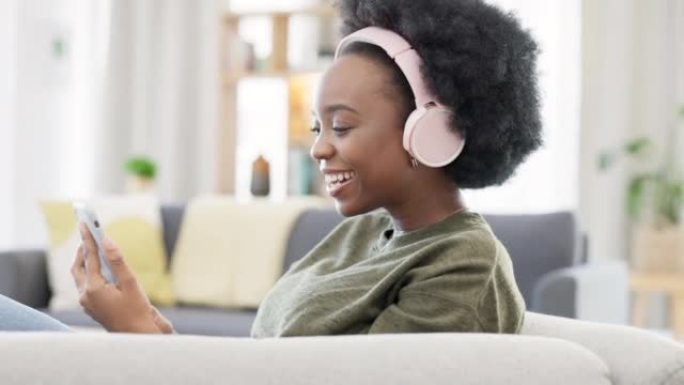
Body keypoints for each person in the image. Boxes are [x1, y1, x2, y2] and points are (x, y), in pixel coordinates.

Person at [0, 0, 541, 335]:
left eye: (343, 126)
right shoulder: (362, 234)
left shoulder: (462, 266)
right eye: (317, 128)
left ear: (432, 130)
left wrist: (142, 339)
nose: (320, 150)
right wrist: (149, 327)